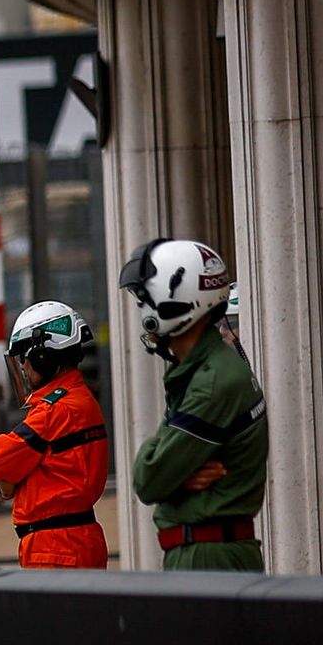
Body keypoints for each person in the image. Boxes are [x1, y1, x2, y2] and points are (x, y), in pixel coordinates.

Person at [122, 240, 266, 571]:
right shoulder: (202, 373)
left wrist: (170, 473)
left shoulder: (213, 382)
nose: (144, 310)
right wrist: (177, 472)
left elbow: (148, 478)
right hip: (206, 551)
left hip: (206, 555)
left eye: (147, 300)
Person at [0, 300, 110, 570]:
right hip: (76, 539)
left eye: (25, 359)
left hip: (55, 548)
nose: (23, 368)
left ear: (43, 357)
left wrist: (11, 480)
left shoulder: (54, 411)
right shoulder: (80, 400)